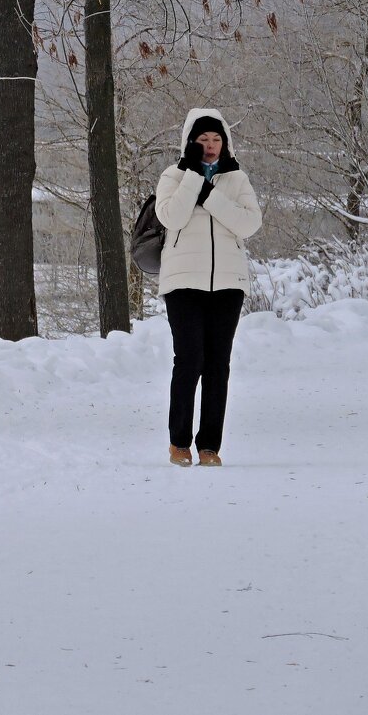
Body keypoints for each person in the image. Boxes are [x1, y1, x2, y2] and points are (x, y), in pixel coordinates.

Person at [154, 109, 262, 467]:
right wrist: (192, 178)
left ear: (225, 142)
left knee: (218, 364)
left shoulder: (237, 179)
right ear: (190, 142)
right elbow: (171, 217)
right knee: (189, 360)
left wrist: (210, 196)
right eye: (203, 140)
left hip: (229, 284)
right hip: (183, 282)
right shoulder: (172, 176)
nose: (211, 146)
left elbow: (248, 224)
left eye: (216, 140)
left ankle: (210, 446)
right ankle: (179, 442)